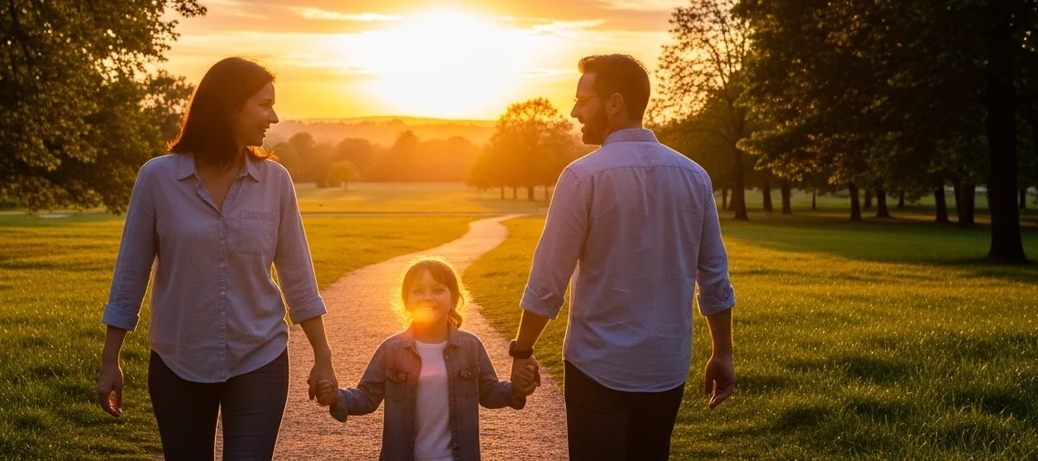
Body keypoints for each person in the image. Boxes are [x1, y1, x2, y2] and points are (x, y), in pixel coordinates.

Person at [96, 57, 338, 460]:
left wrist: (323, 357)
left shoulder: (275, 182)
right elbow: (130, 275)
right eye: (264, 104)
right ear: (230, 106)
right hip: (178, 359)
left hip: (260, 354)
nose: (273, 117)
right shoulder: (157, 179)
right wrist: (110, 360)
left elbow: (298, 275)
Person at [508, 54, 736, 460]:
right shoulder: (694, 176)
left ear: (614, 103)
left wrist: (523, 350)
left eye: (583, 100)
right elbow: (714, 276)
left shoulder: (582, 176)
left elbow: (548, 279)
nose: (575, 110)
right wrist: (722, 353)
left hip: (597, 366)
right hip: (665, 368)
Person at [314, 258, 538, 461]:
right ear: (407, 301)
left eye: (438, 290)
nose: (428, 297)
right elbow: (367, 396)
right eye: (418, 291)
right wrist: (336, 397)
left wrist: (515, 390)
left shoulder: (471, 346)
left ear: (454, 300)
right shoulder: (391, 349)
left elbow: (488, 393)